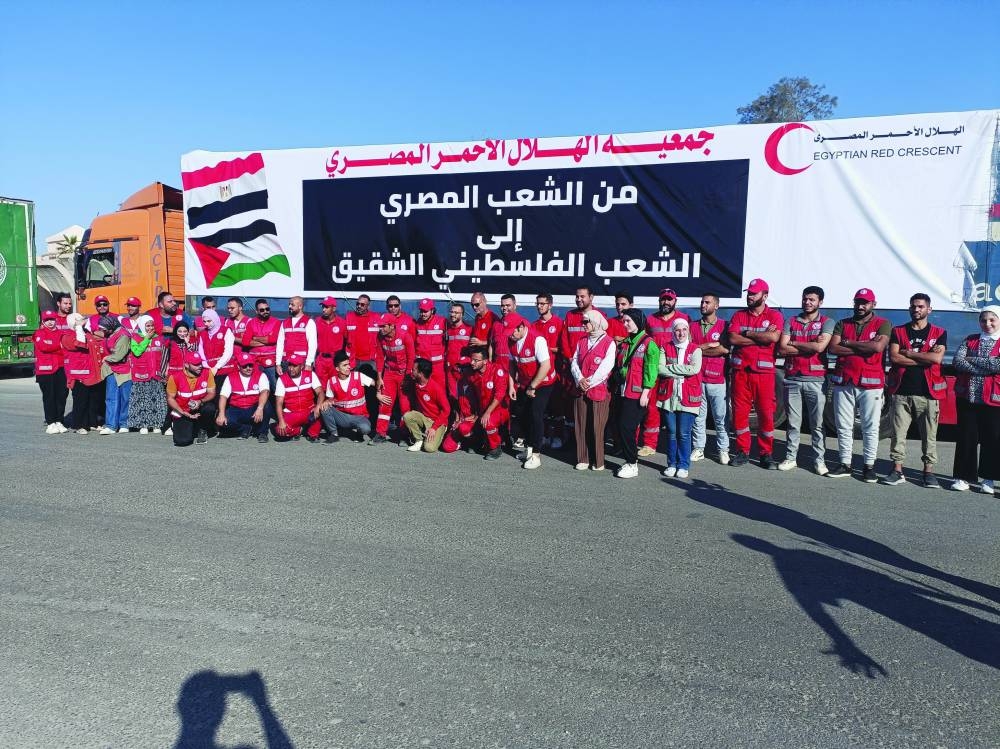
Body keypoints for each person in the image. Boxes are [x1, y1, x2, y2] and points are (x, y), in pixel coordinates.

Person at [827, 288, 891, 481]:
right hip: (844, 380)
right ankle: (845, 464)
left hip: (871, 384)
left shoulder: (883, 324)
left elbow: (877, 347)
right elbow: (833, 348)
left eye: (865, 302)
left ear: (873, 304)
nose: (861, 306)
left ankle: (868, 466)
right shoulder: (842, 323)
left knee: (870, 426)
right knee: (843, 425)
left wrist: (848, 343)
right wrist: (863, 346)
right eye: (858, 302)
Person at [883, 293, 947, 488]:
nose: (916, 309)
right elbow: (894, 358)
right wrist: (923, 357)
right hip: (901, 390)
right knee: (898, 434)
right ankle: (897, 470)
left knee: (929, 435)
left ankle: (928, 473)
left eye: (920, 306)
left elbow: (936, 360)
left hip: (928, 393)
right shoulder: (898, 331)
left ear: (929, 309)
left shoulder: (939, 332)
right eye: (913, 306)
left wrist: (909, 353)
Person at [726, 278, 784, 469]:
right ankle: (742, 451)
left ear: (765, 296)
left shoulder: (775, 316)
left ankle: (765, 454)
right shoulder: (739, 315)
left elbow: (773, 337)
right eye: (749, 293)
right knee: (740, 414)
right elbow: (733, 338)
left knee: (766, 414)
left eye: (754, 293)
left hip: (764, 374)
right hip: (741, 372)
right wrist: (760, 337)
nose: (749, 296)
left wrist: (748, 333)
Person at [778, 286, 834, 474]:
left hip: (816, 380)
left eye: (812, 299)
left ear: (820, 302)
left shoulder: (827, 322)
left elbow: (820, 348)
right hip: (792, 378)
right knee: (793, 422)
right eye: (805, 299)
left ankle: (819, 461)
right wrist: (808, 345)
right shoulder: (791, 321)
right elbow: (783, 349)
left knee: (817, 424)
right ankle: (790, 457)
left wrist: (795, 342)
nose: (807, 302)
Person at [950, 305, 1000, 493]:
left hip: (994, 399)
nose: (987, 324)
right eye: (983, 320)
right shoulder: (970, 339)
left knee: (992, 439)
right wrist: (988, 367)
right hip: (967, 397)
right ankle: (963, 477)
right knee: (966, 437)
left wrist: (972, 359)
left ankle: (988, 479)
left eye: (992, 319)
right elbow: (957, 361)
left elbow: (999, 365)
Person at [640, 288, 690, 457]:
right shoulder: (651, 320)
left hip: (674, 370)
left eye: (669, 299)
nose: (666, 302)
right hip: (654, 368)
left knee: (675, 407)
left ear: (675, 301)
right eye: (663, 299)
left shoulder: (683, 319)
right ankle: (649, 444)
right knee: (652, 407)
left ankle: (677, 444)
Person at [613, 308, 660, 479]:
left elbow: (651, 370)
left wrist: (646, 393)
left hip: (638, 393)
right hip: (623, 391)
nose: (624, 324)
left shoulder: (649, 343)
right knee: (621, 426)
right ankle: (629, 459)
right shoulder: (626, 342)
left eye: (628, 321)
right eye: (623, 321)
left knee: (627, 427)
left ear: (638, 322)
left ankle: (632, 463)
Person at [440, 346, 510, 459]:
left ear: (485, 361)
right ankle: (476, 442)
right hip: (480, 412)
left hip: (498, 409)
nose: (472, 363)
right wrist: (460, 419)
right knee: (451, 442)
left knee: (489, 421)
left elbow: (499, 395)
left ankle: (495, 448)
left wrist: (486, 413)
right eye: (471, 360)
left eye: (476, 360)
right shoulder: (470, 376)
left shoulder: (497, 370)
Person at [657, 318, 703, 478]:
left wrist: (671, 368)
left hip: (688, 397)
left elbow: (694, 369)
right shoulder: (665, 347)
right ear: (673, 331)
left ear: (688, 331)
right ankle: (671, 464)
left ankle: (683, 465)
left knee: (683, 433)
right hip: (668, 397)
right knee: (671, 432)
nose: (681, 333)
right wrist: (682, 370)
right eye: (677, 329)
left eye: (684, 329)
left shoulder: (695, 349)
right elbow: (660, 369)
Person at [570, 310, 616, 471]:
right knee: (580, 424)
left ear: (595, 323)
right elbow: (574, 362)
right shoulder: (581, 341)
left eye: (586, 322)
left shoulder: (609, 342)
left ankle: (598, 461)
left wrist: (589, 382)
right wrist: (579, 379)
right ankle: (582, 458)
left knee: (597, 426)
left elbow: (606, 368)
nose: (583, 325)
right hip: (580, 388)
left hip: (598, 389)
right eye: (583, 322)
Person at [508, 313, 554, 469]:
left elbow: (545, 366)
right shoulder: (512, 340)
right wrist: (511, 385)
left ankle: (536, 454)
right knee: (521, 414)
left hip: (543, 382)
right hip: (525, 384)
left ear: (521, 327)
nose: (510, 335)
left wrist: (533, 386)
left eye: (513, 331)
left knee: (536, 414)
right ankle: (528, 449)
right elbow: (512, 364)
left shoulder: (537, 339)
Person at [690, 293, 730, 464]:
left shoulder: (724, 326)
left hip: (717, 379)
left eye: (707, 302)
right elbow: (690, 350)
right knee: (698, 417)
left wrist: (699, 350)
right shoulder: (692, 326)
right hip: (697, 378)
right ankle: (698, 448)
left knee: (721, 417)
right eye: (702, 302)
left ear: (717, 306)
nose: (703, 305)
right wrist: (706, 346)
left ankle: (723, 450)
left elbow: (724, 350)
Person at [372, 313, 415, 443]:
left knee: (404, 406)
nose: (381, 329)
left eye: (383, 326)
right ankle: (381, 433)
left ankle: (405, 434)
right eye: (380, 326)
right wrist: (379, 377)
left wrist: (407, 378)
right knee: (385, 403)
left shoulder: (405, 336)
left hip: (404, 375)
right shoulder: (380, 337)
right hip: (389, 374)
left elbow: (411, 358)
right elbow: (379, 357)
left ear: (392, 326)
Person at [216, 351, 272, 442]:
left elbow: (265, 392)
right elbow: (223, 396)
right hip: (236, 409)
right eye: (244, 366)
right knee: (222, 423)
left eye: (250, 365)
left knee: (266, 406)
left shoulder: (261, 375)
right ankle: (245, 428)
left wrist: (260, 408)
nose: (248, 368)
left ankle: (262, 433)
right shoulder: (230, 377)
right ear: (238, 366)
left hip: (253, 408)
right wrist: (221, 414)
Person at [319, 351, 375, 443]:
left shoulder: (358, 376)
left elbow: (375, 383)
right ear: (337, 368)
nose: (349, 367)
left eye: (348, 364)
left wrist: (379, 392)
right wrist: (326, 402)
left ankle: (359, 433)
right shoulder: (332, 381)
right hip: (342, 416)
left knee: (365, 429)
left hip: (359, 416)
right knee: (324, 407)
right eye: (344, 365)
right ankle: (334, 434)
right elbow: (330, 399)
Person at [61, 313, 103, 433]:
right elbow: (79, 343)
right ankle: (79, 425)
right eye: (79, 320)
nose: (82, 322)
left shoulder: (86, 333)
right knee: (81, 401)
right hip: (78, 375)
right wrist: (78, 327)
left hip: (91, 373)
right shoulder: (67, 336)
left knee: (92, 399)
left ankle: (91, 422)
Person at [533, 292, 565, 449]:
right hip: (539, 375)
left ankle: (558, 436)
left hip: (555, 373)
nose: (539, 306)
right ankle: (544, 435)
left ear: (550, 305)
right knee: (541, 408)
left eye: (542, 304)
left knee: (557, 407)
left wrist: (547, 350)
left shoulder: (559, 323)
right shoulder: (534, 325)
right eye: (537, 303)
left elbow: (564, 349)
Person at [127, 314, 168, 434]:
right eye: (147, 326)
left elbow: (163, 356)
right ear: (142, 326)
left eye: (152, 325)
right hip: (141, 374)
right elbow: (137, 351)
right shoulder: (135, 337)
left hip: (156, 375)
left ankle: (157, 424)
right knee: (142, 400)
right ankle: (143, 424)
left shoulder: (159, 338)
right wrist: (147, 339)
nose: (150, 328)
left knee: (157, 400)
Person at [167, 351, 217, 446]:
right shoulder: (174, 377)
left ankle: (203, 429)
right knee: (182, 441)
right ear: (186, 365)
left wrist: (200, 401)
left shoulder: (207, 372)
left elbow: (212, 393)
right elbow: (170, 399)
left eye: (200, 363)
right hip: (183, 410)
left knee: (210, 408)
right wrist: (184, 413)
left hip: (200, 407)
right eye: (196, 364)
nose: (200, 366)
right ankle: (186, 426)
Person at [401, 358, 451, 453]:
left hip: (438, 421)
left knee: (429, 448)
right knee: (407, 416)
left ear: (421, 373)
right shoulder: (415, 383)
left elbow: (447, 410)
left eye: (414, 369)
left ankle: (442, 432)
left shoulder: (436, 389)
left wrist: (434, 427)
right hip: (424, 418)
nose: (411, 371)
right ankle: (418, 440)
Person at [273, 353, 324, 441]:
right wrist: (281, 421)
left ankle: (312, 433)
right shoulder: (282, 379)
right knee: (280, 431)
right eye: (289, 365)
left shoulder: (310, 375)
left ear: (302, 366)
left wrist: (318, 406)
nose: (291, 368)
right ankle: (299, 430)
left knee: (323, 411)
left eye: (295, 366)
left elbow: (320, 392)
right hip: (292, 412)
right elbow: (279, 403)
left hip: (309, 410)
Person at [33, 310, 69, 434]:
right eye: (47, 320)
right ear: (43, 321)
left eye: (52, 319)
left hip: (60, 368)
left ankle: (59, 420)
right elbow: (43, 346)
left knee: (62, 395)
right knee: (49, 397)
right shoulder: (39, 333)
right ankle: (50, 422)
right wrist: (58, 346)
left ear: (56, 320)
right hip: (45, 370)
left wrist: (53, 346)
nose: (50, 322)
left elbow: (66, 348)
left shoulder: (61, 333)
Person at [97, 316, 133, 434]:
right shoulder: (110, 334)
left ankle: (124, 424)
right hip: (111, 369)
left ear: (111, 326)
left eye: (105, 329)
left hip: (125, 370)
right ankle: (111, 425)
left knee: (125, 398)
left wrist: (106, 358)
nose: (103, 332)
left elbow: (119, 355)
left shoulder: (124, 335)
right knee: (111, 398)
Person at [243, 299, 281, 391]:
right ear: (256, 311)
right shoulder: (251, 323)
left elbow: (274, 339)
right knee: (256, 387)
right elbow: (245, 342)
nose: (265, 311)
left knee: (275, 387)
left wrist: (255, 338)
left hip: (271, 360)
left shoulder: (276, 322)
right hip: (255, 361)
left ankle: (277, 405)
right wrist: (266, 340)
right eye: (262, 310)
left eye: (267, 309)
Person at [276, 295, 317, 376]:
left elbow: (312, 344)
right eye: (289, 304)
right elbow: (280, 344)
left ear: (300, 306)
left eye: (292, 305)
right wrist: (278, 363)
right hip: (286, 362)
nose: (289, 306)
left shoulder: (309, 322)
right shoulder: (284, 322)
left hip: (302, 363)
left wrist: (309, 363)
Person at [412, 298, 447, 388]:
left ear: (432, 310)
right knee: (422, 391)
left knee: (439, 391)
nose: (423, 314)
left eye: (425, 311)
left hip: (437, 366)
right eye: (421, 311)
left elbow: (448, 342)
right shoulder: (417, 323)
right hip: (422, 367)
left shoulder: (443, 322)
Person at [199, 308, 236, 392]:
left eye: (209, 321)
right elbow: (201, 352)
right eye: (204, 321)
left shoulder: (226, 331)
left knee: (223, 395)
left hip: (225, 370)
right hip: (209, 371)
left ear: (215, 319)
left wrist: (217, 367)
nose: (207, 324)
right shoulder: (203, 334)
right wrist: (207, 367)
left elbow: (228, 352)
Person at [314, 296, 347, 386]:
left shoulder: (342, 322)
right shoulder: (316, 321)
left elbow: (348, 342)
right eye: (323, 307)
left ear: (334, 308)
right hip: (321, 359)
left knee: (336, 385)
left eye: (326, 307)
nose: (324, 309)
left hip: (335, 359)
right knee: (321, 387)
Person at [345, 294, 380, 375]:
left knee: (370, 385)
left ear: (368, 306)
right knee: (354, 386)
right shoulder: (349, 317)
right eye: (357, 304)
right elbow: (344, 336)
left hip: (370, 360)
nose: (359, 306)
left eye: (362, 304)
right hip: (353, 360)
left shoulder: (376, 317)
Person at [444, 302, 472, 402]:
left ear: (462, 314)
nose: (453, 314)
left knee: (464, 396)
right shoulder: (448, 329)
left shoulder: (469, 329)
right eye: (451, 312)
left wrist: (466, 363)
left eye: (456, 312)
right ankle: (455, 417)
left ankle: (465, 417)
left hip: (463, 369)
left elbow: (472, 350)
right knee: (452, 396)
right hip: (450, 369)